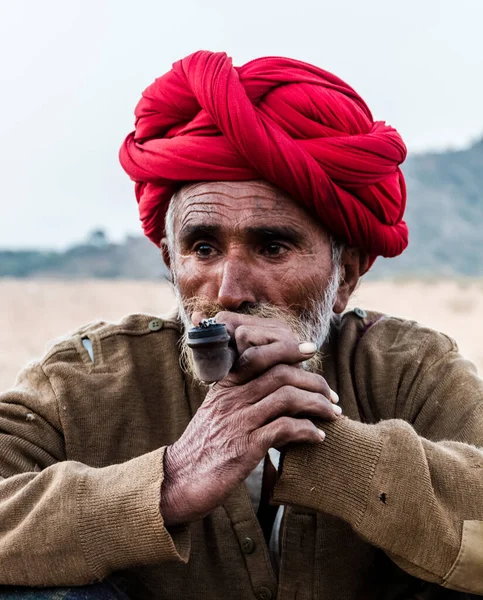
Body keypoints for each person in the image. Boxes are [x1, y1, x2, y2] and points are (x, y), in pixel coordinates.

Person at [1, 50, 482, 600]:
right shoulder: (84, 381)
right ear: (170, 264)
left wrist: (330, 444)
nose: (230, 289)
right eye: (202, 247)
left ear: (344, 275)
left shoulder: (410, 369)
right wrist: (168, 484)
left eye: (272, 246)